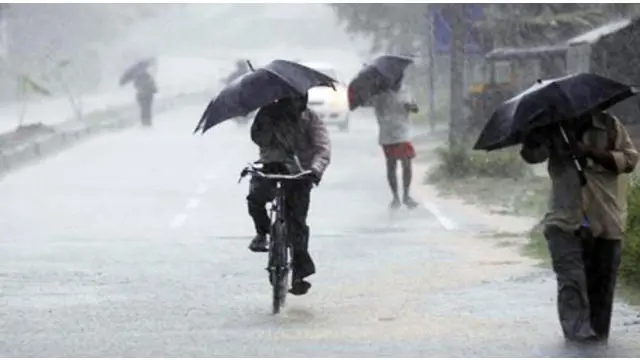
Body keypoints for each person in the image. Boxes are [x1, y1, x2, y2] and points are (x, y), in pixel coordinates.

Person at [519, 110, 638, 344]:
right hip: (564, 221)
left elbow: (630, 160)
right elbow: (533, 156)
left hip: (605, 220)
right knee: (571, 284)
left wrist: (590, 152)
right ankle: (578, 345)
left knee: (601, 293)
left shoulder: (609, 125)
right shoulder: (553, 127)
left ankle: (596, 344)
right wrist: (532, 137)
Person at [246, 93, 331, 295]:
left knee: (298, 225)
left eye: (298, 101)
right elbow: (258, 138)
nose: (293, 105)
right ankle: (263, 233)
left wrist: (315, 170)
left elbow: (322, 148)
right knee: (255, 200)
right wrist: (268, 121)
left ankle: (300, 275)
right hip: (271, 167)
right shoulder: (268, 112)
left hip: (301, 174)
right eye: (289, 101)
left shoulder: (311, 119)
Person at [372, 74, 420, 209]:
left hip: (403, 132)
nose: (397, 82)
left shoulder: (406, 91)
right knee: (391, 165)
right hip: (387, 134)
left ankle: (406, 195)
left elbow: (415, 108)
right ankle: (395, 197)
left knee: (407, 163)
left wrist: (410, 107)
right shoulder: (380, 94)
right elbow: (377, 110)